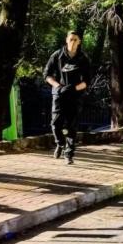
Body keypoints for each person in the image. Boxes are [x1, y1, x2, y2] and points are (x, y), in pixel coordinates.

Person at [43, 30, 91, 164]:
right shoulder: (57, 55)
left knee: (72, 126)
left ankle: (69, 154)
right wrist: (58, 86)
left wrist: (74, 88)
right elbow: (47, 75)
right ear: (66, 40)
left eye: (76, 40)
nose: (73, 42)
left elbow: (87, 81)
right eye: (71, 39)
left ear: (79, 42)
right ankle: (60, 143)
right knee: (55, 124)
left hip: (75, 96)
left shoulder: (83, 58)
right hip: (59, 94)